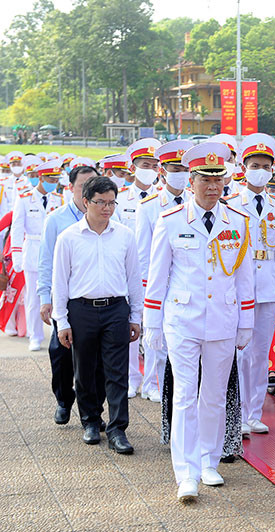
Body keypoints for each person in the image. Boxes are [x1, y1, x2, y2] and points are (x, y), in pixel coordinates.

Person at [142, 142, 255, 501]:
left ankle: (209, 461)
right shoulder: (170, 220)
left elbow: (245, 278)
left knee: (215, 396)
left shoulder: (238, 221)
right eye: (205, 180)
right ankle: (186, 472)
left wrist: (246, 322)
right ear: (191, 181)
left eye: (218, 180)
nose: (212, 187)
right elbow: (158, 276)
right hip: (183, 320)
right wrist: (151, 324)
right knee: (185, 395)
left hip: (223, 319)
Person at [52, 175, 143, 453]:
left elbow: (134, 278)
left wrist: (135, 316)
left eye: (111, 203)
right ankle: (91, 420)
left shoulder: (125, 235)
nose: (107, 208)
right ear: (85, 202)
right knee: (85, 370)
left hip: (116, 308)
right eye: (100, 202)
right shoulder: (68, 237)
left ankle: (118, 429)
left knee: (117, 372)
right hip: (82, 310)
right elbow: (60, 282)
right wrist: (62, 321)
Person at [224, 133, 275, 435]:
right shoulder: (230, 203)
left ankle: (253, 412)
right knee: (239, 352)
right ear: (243, 168)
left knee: (261, 352)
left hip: (268, 284)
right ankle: (235, 412)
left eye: (265, 166)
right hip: (240, 283)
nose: (260, 171)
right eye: (255, 166)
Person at [38, 162, 97, 425]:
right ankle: (64, 400)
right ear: (71, 187)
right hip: (64, 299)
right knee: (61, 355)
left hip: (94, 299)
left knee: (94, 360)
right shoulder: (56, 219)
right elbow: (45, 261)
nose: (88, 192)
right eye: (84, 186)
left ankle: (92, 411)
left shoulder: (108, 216)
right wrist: (45, 299)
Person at [136, 139, 194, 403]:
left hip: (186, 280)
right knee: (155, 337)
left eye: (185, 169)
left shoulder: (195, 200)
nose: (180, 174)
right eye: (175, 169)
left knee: (183, 339)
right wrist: (145, 288)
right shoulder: (149, 205)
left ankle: (178, 386)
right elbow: (143, 252)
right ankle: (150, 383)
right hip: (159, 280)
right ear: (162, 171)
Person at [120, 138, 162, 398]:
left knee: (156, 329)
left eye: (154, 165)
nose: (150, 170)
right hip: (126, 273)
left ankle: (152, 382)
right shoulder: (120, 199)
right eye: (145, 165)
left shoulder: (163, 198)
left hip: (157, 273)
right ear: (133, 167)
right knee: (130, 328)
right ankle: (130, 378)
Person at [10, 156, 64, 351]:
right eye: (50, 179)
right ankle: (35, 335)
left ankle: (58, 332)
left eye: (56, 179)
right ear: (40, 178)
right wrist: (16, 256)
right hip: (33, 251)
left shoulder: (59, 199)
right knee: (33, 298)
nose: (53, 183)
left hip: (55, 252)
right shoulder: (24, 199)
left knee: (58, 295)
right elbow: (17, 229)